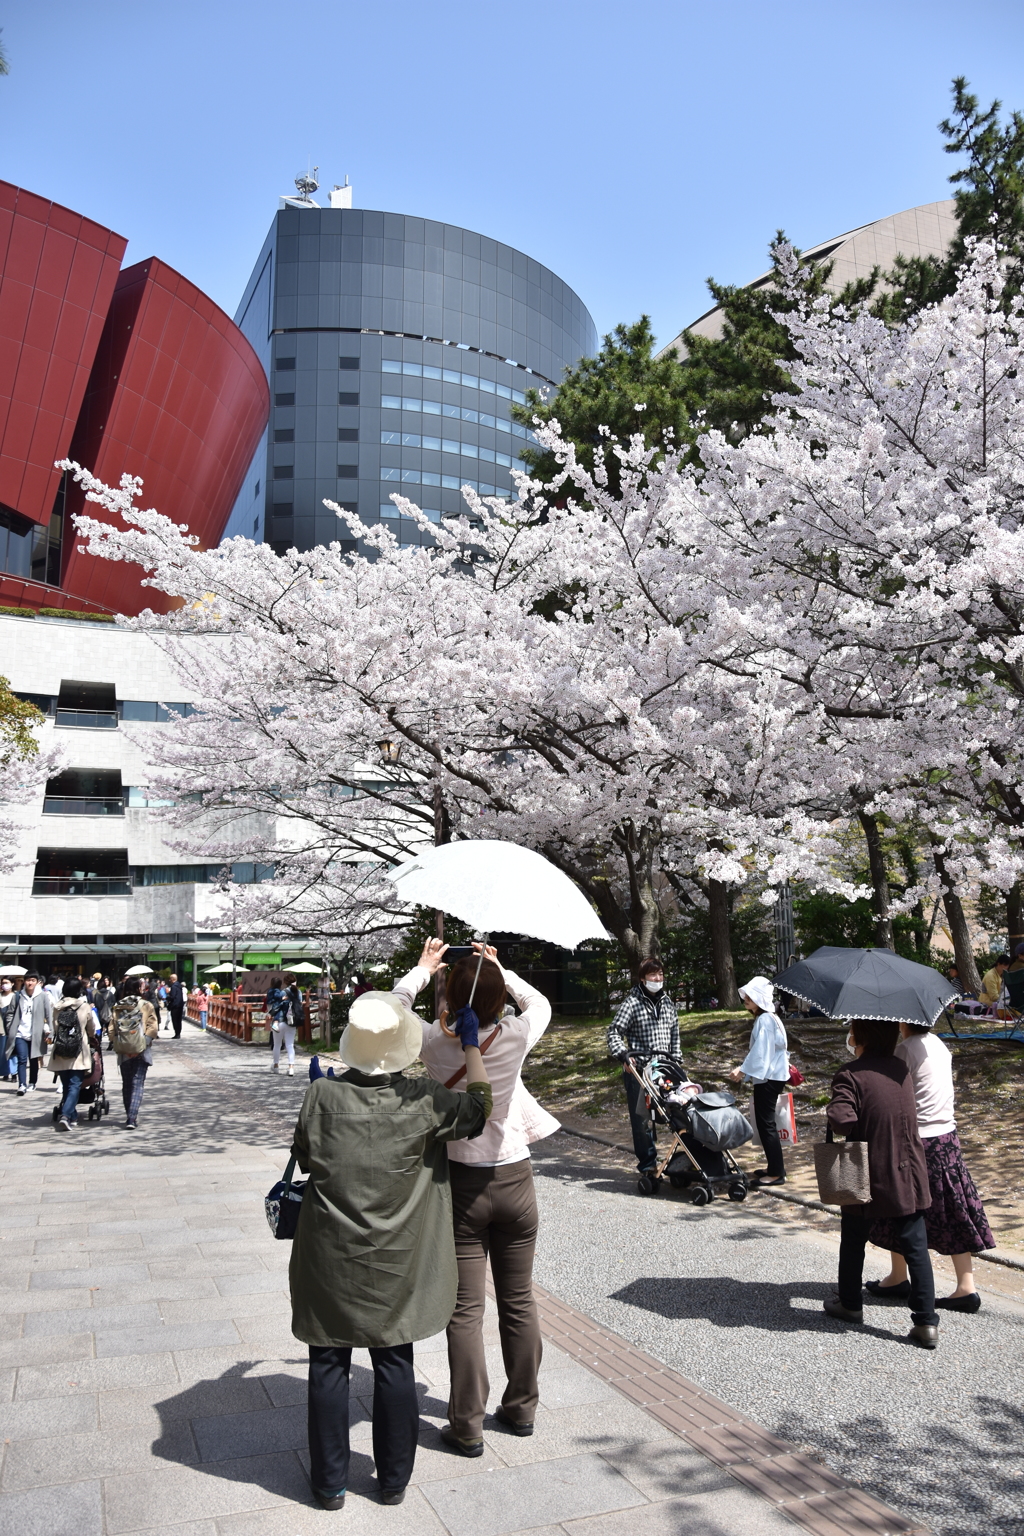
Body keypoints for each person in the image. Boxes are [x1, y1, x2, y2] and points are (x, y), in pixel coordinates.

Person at [289, 984, 491, 1510]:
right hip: (398, 1256)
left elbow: (307, 1159)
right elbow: (478, 1108)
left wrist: (325, 1094)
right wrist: (471, 1046)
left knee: (328, 1359)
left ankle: (329, 1483)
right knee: (394, 1359)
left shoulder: (320, 1096)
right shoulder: (424, 1101)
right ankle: (394, 1481)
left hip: (329, 1254)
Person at [396, 939, 558, 1455]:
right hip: (514, 1178)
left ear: (447, 998)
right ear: (496, 1001)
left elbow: (393, 1010)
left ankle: (466, 1425)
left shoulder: (434, 1044)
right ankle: (522, 1407)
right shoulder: (513, 1035)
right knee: (518, 1299)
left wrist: (423, 970)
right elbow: (541, 1005)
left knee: (465, 1310)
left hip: (461, 1183)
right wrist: (501, 970)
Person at [823, 1016, 939, 1348]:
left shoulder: (850, 1074)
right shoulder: (901, 1069)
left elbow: (843, 1121)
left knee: (854, 1238)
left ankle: (850, 1303)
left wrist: (832, 1111)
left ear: (859, 1035)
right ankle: (926, 1322)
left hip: (866, 1171)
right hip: (908, 1169)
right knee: (915, 1244)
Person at [866, 1018, 995, 1313]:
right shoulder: (939, 1045)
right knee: (953, 1207)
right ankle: (964, 1285)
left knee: (900, 1206)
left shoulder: (904, 1051)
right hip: (947, 1136)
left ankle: (900, 1277)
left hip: (918, 1139)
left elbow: (890, 1093)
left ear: (902, 1021)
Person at [606, 958, 680, 1177]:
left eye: (660, 975)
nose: (657, 979)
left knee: (676, 1115)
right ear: (642, 978)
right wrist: (624, 1056)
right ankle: (648, 1164)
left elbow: (675, 1033)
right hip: (640, 1071)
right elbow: (614, 1032)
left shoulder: (668, 1002)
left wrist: (676, 1061)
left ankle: (680, 1160)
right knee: (642, 1121)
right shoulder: (632, 1002)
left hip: (665, 1070)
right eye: (652, 975)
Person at [729, 976, 790, 1188]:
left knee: (766, 1125)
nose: (745, 998)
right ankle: (775, 1167)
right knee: (767, 1124)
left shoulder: (765, 1020)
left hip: (769, 1077)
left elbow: (760, 1052)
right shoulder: (770, 1018)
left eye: (751, 995)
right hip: (773, 1075)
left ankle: (776, 1173)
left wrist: (742, 1069)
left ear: (760, 998)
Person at [45, 979, 100, 1131]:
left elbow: (56, 1028)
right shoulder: (84, 1007)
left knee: (67, 1085)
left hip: (61, 1049)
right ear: (78, 991)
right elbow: (91, 1029)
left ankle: (73, 1115)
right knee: (75, 1084)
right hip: (78, 1050)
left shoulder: (57, 1007)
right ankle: (66, 1115)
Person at [107, 977, 159, 1129]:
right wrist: (143, 1044)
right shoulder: (146, 1005)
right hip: (142, 1049)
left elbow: (111, 1029)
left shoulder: (118, 1006)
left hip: (123, 1050)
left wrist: (118, 1043)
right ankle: (132, 1117)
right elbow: (153, 1027)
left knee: (127, 1084)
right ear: (139, 988)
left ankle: (128, 1114)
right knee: (138, 1084)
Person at [3, 973, 53, 1095]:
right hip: (20, 1033)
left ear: (37, 982)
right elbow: (10, 1013)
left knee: (34, 1059)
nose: (30, 983)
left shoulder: (42, 996)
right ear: (24, 982)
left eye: (33, 980)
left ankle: (32, 1082)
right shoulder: (18, 996)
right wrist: (11, 1028)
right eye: (28, 980)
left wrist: (50, 1031)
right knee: (22, 1059)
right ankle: (21, 1085)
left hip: (36, 1034)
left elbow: (49, 1014)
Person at [265, 975, 294, 1074]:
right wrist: (284, 998)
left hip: (274, 1016)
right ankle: (291, 1067)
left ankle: (276, 1065)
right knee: (290, 1045)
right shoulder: (281, 992)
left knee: (277, 1044)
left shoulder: (269, 991)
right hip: (288, 1020)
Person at [167, 973, 186, 1038]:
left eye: (170, 979)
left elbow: (172, 996)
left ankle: (176, 1033)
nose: (169, 980)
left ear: (172, 979)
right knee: (179, 1020)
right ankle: (178, 1033)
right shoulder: (179, 985)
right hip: (180, 1004)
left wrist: (167, 997)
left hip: (175, 1005)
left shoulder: (174, 986)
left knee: (175, 1020)